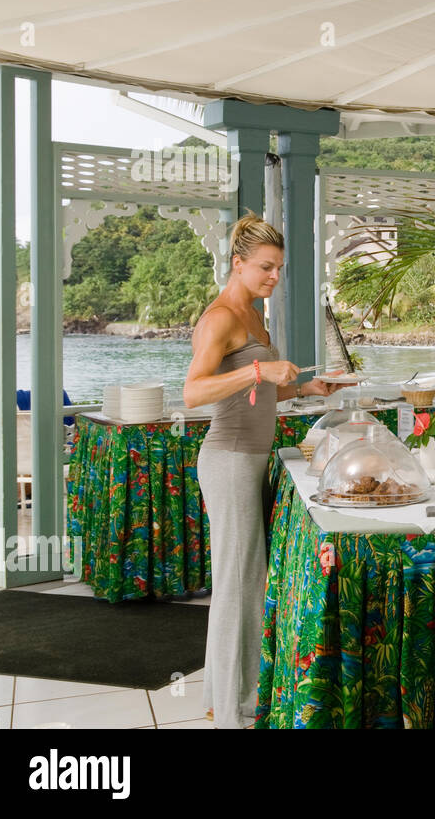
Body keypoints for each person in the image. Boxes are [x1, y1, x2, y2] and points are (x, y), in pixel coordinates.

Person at [184, 212, 346, 729]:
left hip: (255, 459)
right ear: (237, 264)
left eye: (278, 268)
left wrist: (302, 389)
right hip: (228, 461)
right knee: (235, 588)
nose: (274, 277)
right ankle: (231, 715)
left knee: (249, 584)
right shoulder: (221, 318)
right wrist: (260, 369)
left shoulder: (254, 315)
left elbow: (257, 395)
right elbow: (193, 394)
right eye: (265, 268)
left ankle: (235, 699)